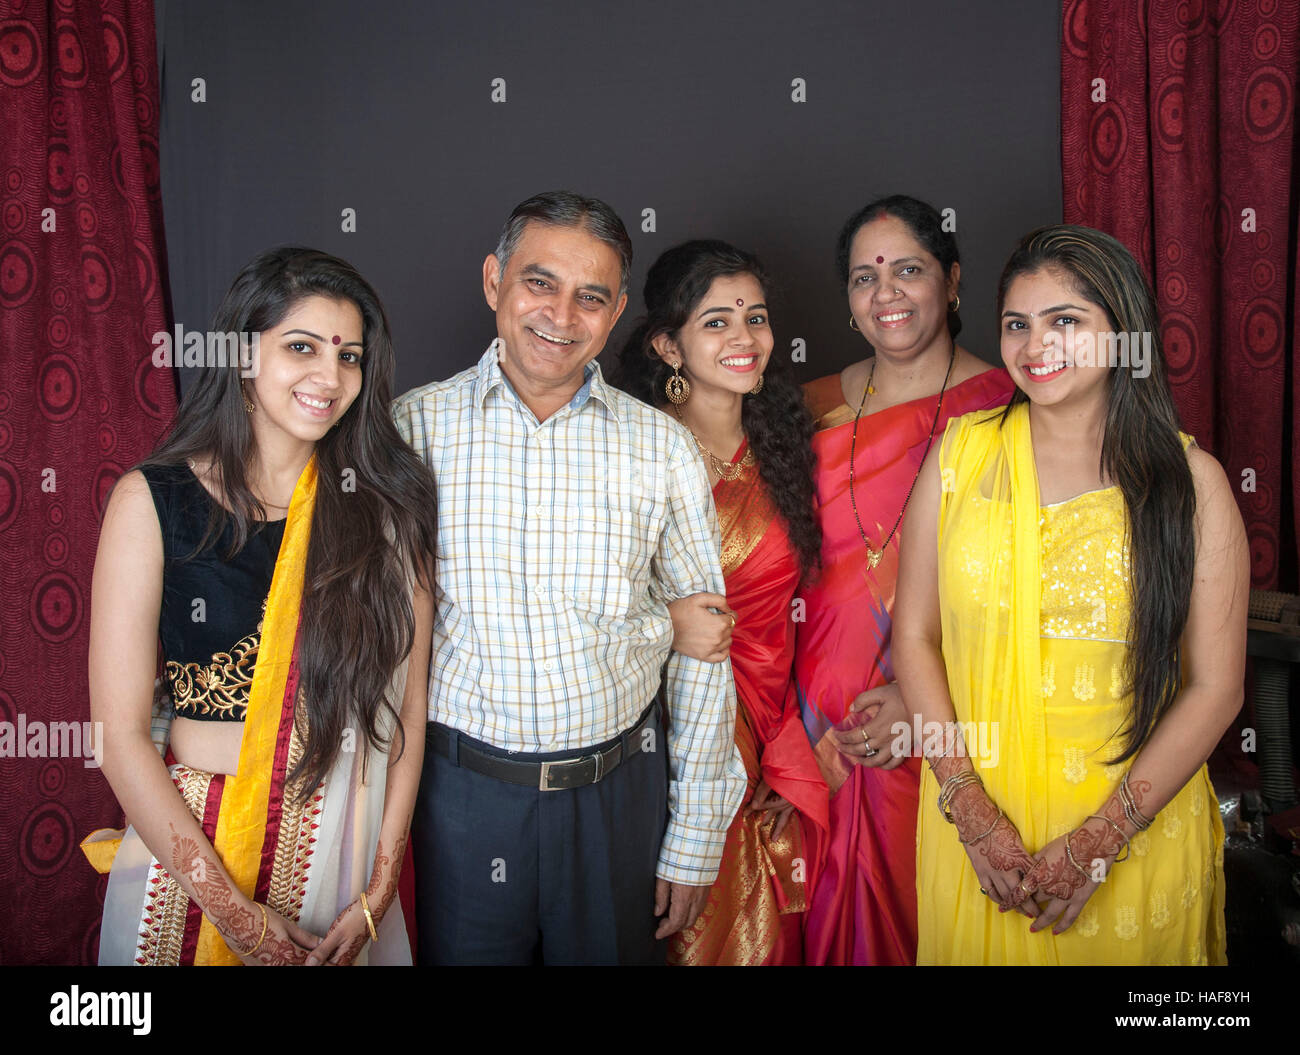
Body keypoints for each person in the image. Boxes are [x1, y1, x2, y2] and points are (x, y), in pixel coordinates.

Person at [393, 192, 747, 965]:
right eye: (539, 283)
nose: (561, 313)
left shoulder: (660, 448)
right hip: (461, 802)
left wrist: (693, 835)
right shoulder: (410, 432)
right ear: (494, 281)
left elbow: (706, 648)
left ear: (617, 309)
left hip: (618, 798)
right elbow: (372, 639)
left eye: (591, 296)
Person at [894, 224, 1245, 964]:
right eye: (1018, 324)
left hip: (1132, 828)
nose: (1034, 345)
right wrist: (972, 813)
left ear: (1123, 335)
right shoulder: (960, 456)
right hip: (980, 833)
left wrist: (1102, 837)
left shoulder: (1189, 485)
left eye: (1065, 321)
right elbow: (915, 636)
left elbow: (1216, 688)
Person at [87, 248, 437, 965]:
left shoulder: (383, 513)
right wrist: (236, 916)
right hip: (196, 853)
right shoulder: (154, 503)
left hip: (339, 861)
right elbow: (118, 736)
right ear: (244, 354)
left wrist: (377, 886)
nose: (329, 376)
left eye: (350, 356)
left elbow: (408, 708)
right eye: (301, 347)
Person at [794, 195, 1015, 965]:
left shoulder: (1008, 409)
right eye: (864, 277)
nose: (885, 293)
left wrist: (922, 700)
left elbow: (1032, 588)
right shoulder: (809, 406)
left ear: (952, 282)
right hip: (812, 721)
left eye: (908, 270)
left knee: (920, 922)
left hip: (933, 722)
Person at [611, 240, 829, 965]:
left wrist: (796, 745)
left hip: (774, 728)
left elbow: (821, 614)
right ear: (668, 345)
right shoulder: (633, 458)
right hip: (666, 739)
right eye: (716, 322)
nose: (745, 337)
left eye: (756, 317)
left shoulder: (790, 450)